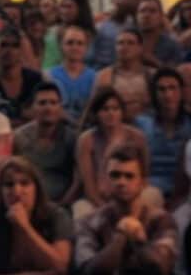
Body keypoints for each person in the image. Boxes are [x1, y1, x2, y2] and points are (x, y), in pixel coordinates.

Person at [0, 155, 73, 274]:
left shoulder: (57, 216)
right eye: (9, 184)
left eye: (24, 183)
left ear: (37, 188)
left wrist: (26, 228)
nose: (17, 191)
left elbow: (61, 266)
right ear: (0, 192)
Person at [75, 144, 177, 274]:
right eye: (115, 175)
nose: (121, 182)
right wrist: (121, 237)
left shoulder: (163, 220)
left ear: (143, 183)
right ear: (105, 180)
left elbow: (162, 268)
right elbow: (87, 271)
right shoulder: (89, 222)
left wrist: (140, 242)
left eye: (129, 176)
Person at [73, 87, 156, 220]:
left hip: (132, 195)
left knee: (152, 195)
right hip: (98, 199)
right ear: (96, 113)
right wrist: (107, 210)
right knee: (81, 209)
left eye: (115, 108)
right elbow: (89, 188)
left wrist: (131, 202)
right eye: (105, 109)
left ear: (122, 112)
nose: (111, 113)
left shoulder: (137, 137)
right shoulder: (86, 140)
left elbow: (144, 177)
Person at [13, 82, 78, 205]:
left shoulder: (71, 138)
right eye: (42, 103)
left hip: (64, 203)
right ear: (33, 107)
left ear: (60, 107)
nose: (48, 108)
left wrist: (63, 204)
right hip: (27, 202)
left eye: (53, 103)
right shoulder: (19, 138)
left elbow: (78, 180)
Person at [134, 67, 191, 201]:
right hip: (150, 188)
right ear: (154, 93)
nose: (168, 94)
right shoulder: (142, 124)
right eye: (162, 89)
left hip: (185, 190)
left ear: (181, 92)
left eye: (173, 88)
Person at [93, 28, 153, 121]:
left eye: (130, 43)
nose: (125, 47)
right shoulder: (104, 76)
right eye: (120, 43)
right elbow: (96, 109)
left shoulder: (152, 75)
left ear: (140, 48)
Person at [0, 27, 43, 127]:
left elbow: (41, 115)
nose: (9, 50)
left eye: (15, 45)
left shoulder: (35, 80)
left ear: (21, 50)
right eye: (3, 45)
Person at [46, 25, 97, 122]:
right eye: (70, 43)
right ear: (61, 45)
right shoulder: (49, 76)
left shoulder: (95, 77)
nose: (75, 47)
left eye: (80, 43)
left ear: (86, 47)